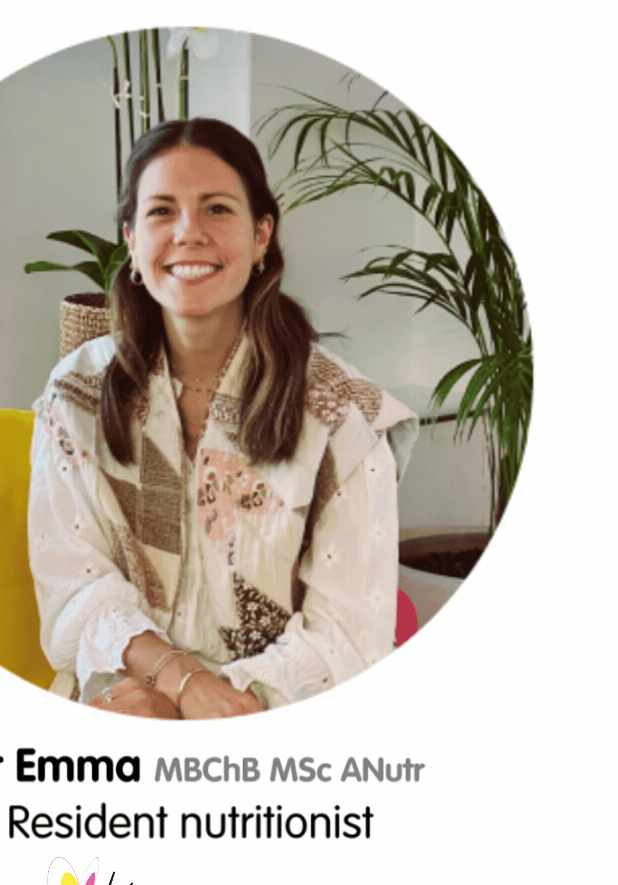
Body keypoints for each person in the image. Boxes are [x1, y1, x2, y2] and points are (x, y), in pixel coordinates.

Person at [28, 118, 417, 719]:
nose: (189, 233)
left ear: (262, 236)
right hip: (122, 700)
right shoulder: (74, 394)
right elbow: (72, 589)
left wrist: (210, 702)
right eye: (162, 212)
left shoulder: (345, 415)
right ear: (130, 240)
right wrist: (176, 680)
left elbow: (347, 640)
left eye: (216, 209)